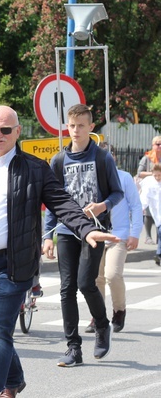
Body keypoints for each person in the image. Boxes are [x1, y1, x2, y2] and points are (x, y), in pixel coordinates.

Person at [0, 105, 118, 398]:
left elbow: (62, 202)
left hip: (10, 266)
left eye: (6, 130)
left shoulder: (34, 168)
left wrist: (86, 229)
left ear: (17, 132)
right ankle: (14, 377)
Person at [43, 104, 124, 368]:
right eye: (71, 125)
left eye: (81, 125)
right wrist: (47, 236)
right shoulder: (58, 161)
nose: (75, 130)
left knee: (86, 282)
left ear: (91, 127)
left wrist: (102, 206)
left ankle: (102, 326)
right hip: (66, 230)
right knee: (66, 288)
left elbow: (117, 193)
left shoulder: (102, 158)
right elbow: (52, 201)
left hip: (95, 230)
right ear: (67, 127)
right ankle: (73, 347)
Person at [87, 142, 141, 334]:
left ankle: (119, 310)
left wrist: (135, 234)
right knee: (96, 279)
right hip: (96, 235)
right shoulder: (91, 178)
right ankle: (98, 316)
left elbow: (135, 206)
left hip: (118, 235)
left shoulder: (124, 178)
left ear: (114, 158)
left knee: (112, 275)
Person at [135, 135, 161, 244]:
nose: (160, 146)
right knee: (149, 213)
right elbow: (139, 173)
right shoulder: (147, 157)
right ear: (152, 145)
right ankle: (148, 236)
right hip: (149, 187)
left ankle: (158, 237)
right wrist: (154, 174)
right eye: (157, 144)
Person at [139, 164, 161, 265]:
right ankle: (159, 254)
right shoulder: (149, 182)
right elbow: (145, 198)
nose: (157, 178)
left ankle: (159, 254)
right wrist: (140, 209)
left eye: (159, 175)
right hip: (157, 214)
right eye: (155, 175)